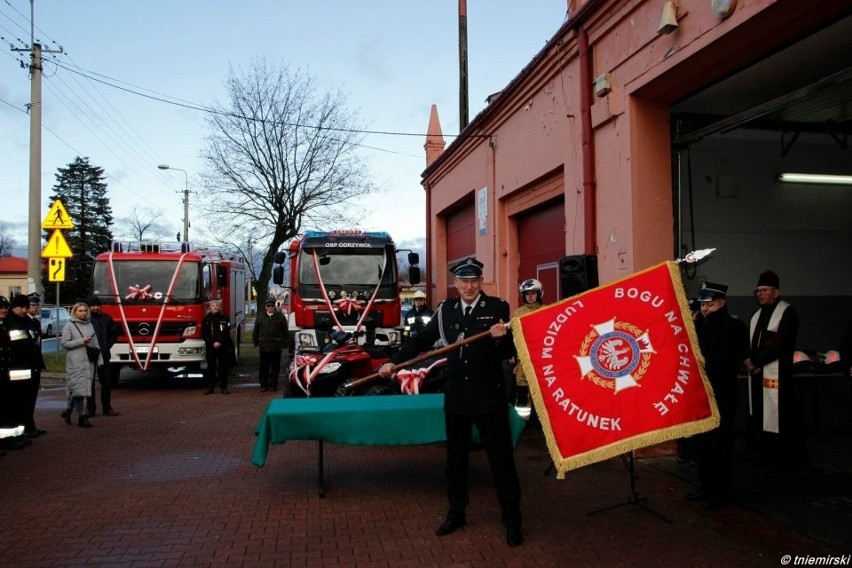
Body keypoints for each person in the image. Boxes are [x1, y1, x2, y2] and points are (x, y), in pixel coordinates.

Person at [378, 256, 523, 547]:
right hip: (457, 397)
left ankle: (512, 519)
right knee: (455, 461)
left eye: (474, 280)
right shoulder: (445, 311)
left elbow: (511, 349)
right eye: (463, 281)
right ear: (456, 284)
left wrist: (499, 339)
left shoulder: (497, 308)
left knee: (501, 461)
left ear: (481, 282)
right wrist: (393, 362)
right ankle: (456, 513)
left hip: (489, 397)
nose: (469, 286)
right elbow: (420, 340)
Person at [684, 282, 749, 509]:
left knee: (721, 442)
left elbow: (732, 359)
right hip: (702, 391)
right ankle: (706, 486)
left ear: (722, 302)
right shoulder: (699, 325)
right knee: (704, 442)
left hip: (722, 391)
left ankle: (722, 492)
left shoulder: (734, 326)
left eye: (709, 304)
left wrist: (706, 362)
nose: (705, 309)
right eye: (702, 304)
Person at [744, 270, 807, 471]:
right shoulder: (756, 316)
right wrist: (748, 361)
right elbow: (751, 343)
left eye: (764, 290)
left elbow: (781, 344)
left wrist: (756, 361)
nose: (760, 294)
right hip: (757, 375)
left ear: (776, 292)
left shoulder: (787, 313)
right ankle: (764, 453)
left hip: (778, 376)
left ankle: (784, 456)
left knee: (781, 417)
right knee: (760, 416)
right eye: (758, 291)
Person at [5, 294, 45, 438]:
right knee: (19, 401)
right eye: (21, 307)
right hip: (18, 368)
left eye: (26, 307)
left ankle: (28, 427)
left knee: (29, 400)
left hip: (31, 366)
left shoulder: (27, 321)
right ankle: (23, 430)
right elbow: (21, 345)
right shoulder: (10, 322)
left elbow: (33, 344)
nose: (24, 310)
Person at [60, 302, 102, 428]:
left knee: (81, 390)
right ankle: (82, 416)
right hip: (75, 363)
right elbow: (65, 343)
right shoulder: (69, 325)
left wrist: (100, 361)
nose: (83, 313)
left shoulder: (90, 325)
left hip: (88, 363)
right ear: (75, 312)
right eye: (80, 311)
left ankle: (68, 410)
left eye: (84, 310)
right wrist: (81, 341)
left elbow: (96, 344)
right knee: (79, 391)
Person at [511, 279, 545, 412]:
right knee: (522, 390)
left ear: (539, 294)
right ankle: (522, 422)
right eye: (527, 294)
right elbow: (514, 336)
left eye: (533, 293)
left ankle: (538, 423)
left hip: (540, 358)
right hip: (523, 359)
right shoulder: (518, 313)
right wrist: (514, 358)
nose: (530, 296)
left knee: (539, 392)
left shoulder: (545, 310)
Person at [87, 296, 119, 416]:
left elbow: (114, 332)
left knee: (106, 382)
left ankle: (107, 407)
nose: (96, 308)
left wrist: (108, 345)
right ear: (90, 307)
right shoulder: (86, 319)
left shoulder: (107, 318)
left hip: (104, 353)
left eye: (98, 306)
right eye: (93, 306)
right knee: (89, 382)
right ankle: (91, 408)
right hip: (89, 354)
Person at [253, 297, 288, 392]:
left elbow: (285, 331)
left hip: (276, 347)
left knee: (275, 368)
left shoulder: (280, 317)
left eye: (272, 306)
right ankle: (263, 385)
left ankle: (273, 385)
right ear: (265, 307)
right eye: (268, 306)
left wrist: (284, 344)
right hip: (264, 347)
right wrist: (256, 343)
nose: (270, 308)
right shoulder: (260, 316)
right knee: (264, 368)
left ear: (274, 306)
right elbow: (256, 331)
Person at [202, 299, 234, 395]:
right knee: (211, 367)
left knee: (223, 367)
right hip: (211, 347)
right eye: (213, 305)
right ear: (210, 307)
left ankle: (224, 387)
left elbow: (226, 332)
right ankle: (210, 387)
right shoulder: (206, 319)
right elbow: (205, 333)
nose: (215, 307)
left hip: (222, 346)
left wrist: (219, 342)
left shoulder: (224, 318)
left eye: (217, 305)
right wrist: (212, 343)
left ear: (220, 307)